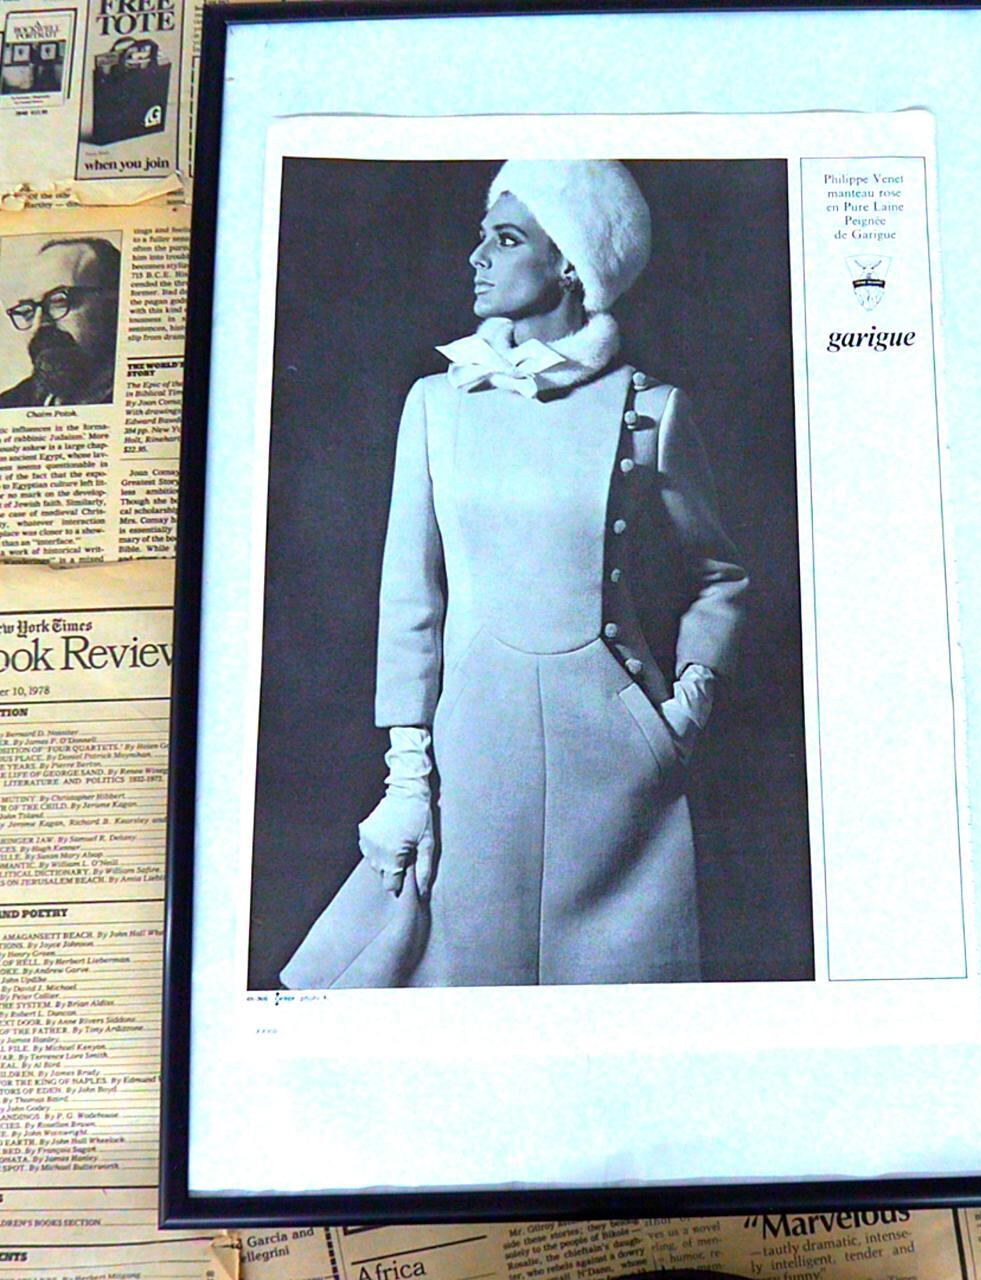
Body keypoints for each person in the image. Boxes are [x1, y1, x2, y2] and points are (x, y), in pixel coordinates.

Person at [281, 160, 748, 989]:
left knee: (613, 1016)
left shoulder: (651, 408)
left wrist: (683, 707)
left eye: (504, 240)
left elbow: (720, 577)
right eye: (482, 237)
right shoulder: (437, 402)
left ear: (569, 263)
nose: (477, 258)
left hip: (618, 772)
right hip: (472, 761)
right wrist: (406, 778)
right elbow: (411, 601)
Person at [0, 237, 120, 406]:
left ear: (113, 305)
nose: (39, 323)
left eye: (58, 301)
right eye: (27, 310)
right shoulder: (9, 403)